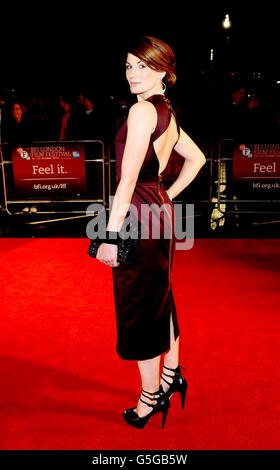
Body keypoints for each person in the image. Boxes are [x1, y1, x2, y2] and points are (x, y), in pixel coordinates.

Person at [95, 36, 206, 429]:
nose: (132, 74)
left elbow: (126, 182)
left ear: (163, 70)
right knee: (159, 294)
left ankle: (150, 399)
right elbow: (197, 159)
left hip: (138, 216)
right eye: (128, 66)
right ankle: (172, 375)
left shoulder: (142, 111)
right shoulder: (167, 113)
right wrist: (166, 195)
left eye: (142, 66)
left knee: (141, 303)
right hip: (156, 211)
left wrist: (109, 236)